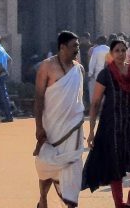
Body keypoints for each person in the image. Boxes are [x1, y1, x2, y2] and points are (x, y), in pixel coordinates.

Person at [83, 38, 130, 208]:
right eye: (117, 51)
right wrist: (91, 131)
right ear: (111, 54)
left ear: (128, 52)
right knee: (115, 165)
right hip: (113, 125)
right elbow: (95, 103)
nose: (120, 54)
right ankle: (119, 204)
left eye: (123, 50)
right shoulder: (105, 74)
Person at [34, 31, 85, 208]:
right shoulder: (46, 67)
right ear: (62, 47)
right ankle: (43, 198)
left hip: (73, 128)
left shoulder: (79, 69)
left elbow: (79, 100)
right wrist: (39, 127)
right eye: (74, 46)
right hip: (52, 127)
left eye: (78, 46)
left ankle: (70, 203)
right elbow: (39, 99)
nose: (77, 50)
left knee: (72, 165)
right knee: (46, 165)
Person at [87, 36, 110, 103]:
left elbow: (92, 62)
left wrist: (90, 73)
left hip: (97, 74)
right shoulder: (109, 49)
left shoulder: (96, 50)